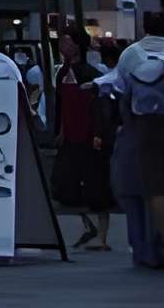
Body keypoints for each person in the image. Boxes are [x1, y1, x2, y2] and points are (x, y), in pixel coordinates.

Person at [98, 11, 164, 273]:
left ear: (145, 27)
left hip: (137, 130)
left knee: (135, 193)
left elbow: (118, 91)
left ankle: (144, 252)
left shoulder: (130, 54)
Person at [49, 36, 114, 252]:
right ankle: (88, 226)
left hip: (89, 136)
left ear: (78, 46)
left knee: (97, 188)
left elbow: (98, 106)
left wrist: (98, 133)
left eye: (68, 42)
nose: (63, 47)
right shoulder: (61, 73)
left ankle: (102, 236)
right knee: (64, 186)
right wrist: (61, 131)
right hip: (70, 137)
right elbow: (62, 105)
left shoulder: (91, 73)